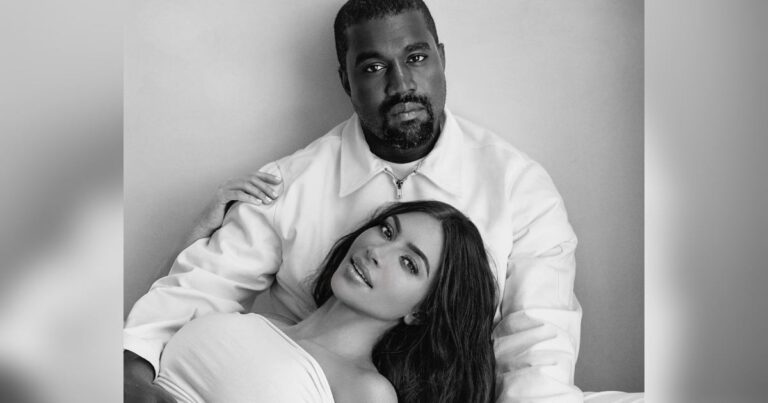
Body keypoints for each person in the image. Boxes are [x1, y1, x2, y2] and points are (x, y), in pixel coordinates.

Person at [125, 0, 582, 401]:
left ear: (441, 58)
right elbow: (194, 292)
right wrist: (131, 377)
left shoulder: (519, 188)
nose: (401, 84)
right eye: (373, 67)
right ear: (346, 80)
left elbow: (539, 350)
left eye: (416, 57)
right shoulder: (287, 184)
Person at [147, 201, 497, 403]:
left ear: (420, 312)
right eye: (387, 231)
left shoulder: (367, 392)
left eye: (409, 263)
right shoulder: (259, 321)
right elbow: (148, 323)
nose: (377, 251)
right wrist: (202, 229)